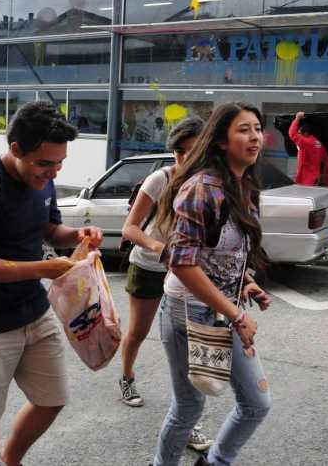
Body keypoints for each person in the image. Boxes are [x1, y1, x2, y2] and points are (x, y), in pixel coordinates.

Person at [0, 102, 103, 466]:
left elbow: (50, 229)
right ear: (16, 149)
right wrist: (42, 270)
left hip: (33, 311)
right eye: (45, 163)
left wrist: (77, 234)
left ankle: (10, 459)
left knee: (53, 397)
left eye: (60, 163)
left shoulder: (42, 183)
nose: (53, 172)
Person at [153, 102, 273, 466]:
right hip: (189, 311)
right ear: (221, 140)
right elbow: (182, 262)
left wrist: (246, 282)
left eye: (257, 128)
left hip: (222, 307)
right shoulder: (202, 188)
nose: (254, 137)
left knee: (256, 402)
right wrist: (237, 314)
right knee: (190, 406)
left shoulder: (243, 185)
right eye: (243, 129)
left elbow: (221, 253)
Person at [119, 117, 213, 452]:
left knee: (189, 349)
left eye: (193, 152)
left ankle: (190, 423)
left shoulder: (209, 182)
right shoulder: (160, 179)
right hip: (149, 267)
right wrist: (161, 250)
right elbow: (130, 229)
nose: (185, 159)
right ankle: (127, 378)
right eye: (180, 153)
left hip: (186, 272)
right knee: (138, 332)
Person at [289, 111, 327, 186]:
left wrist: (297, 118)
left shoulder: (306, 142)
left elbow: (292, 133)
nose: (299, 135)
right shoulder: (318, 143)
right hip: (315, 178)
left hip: (306, 179)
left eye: (300, 133)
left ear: (306, 133)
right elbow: (324, 158)